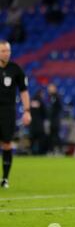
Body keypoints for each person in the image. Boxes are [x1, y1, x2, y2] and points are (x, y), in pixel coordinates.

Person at [0, 40, 31, 188]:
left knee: (7, 143)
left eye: (8, 51)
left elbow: (24, 91)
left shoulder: (15, 69)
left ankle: (5, 178)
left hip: (7, 111)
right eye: (3, 51)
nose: (6, 54)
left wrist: (27, 111)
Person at [30, 89, 47, 155]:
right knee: (41, 138)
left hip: (32, 123)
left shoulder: (32, 100)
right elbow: (44, 112)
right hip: (39, 123)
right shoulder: (41, 101)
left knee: (32, 138)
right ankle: (40, 152)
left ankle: (32, 151)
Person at [47, 84, 62, 155]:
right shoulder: (51, 97)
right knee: (52, 135)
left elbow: (57, 108)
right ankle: (52, 150)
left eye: (50, 88)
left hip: (55, 119)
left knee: (55, 135)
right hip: (52, 119)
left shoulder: (56, 97)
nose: (49, 89)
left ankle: (59, 150)